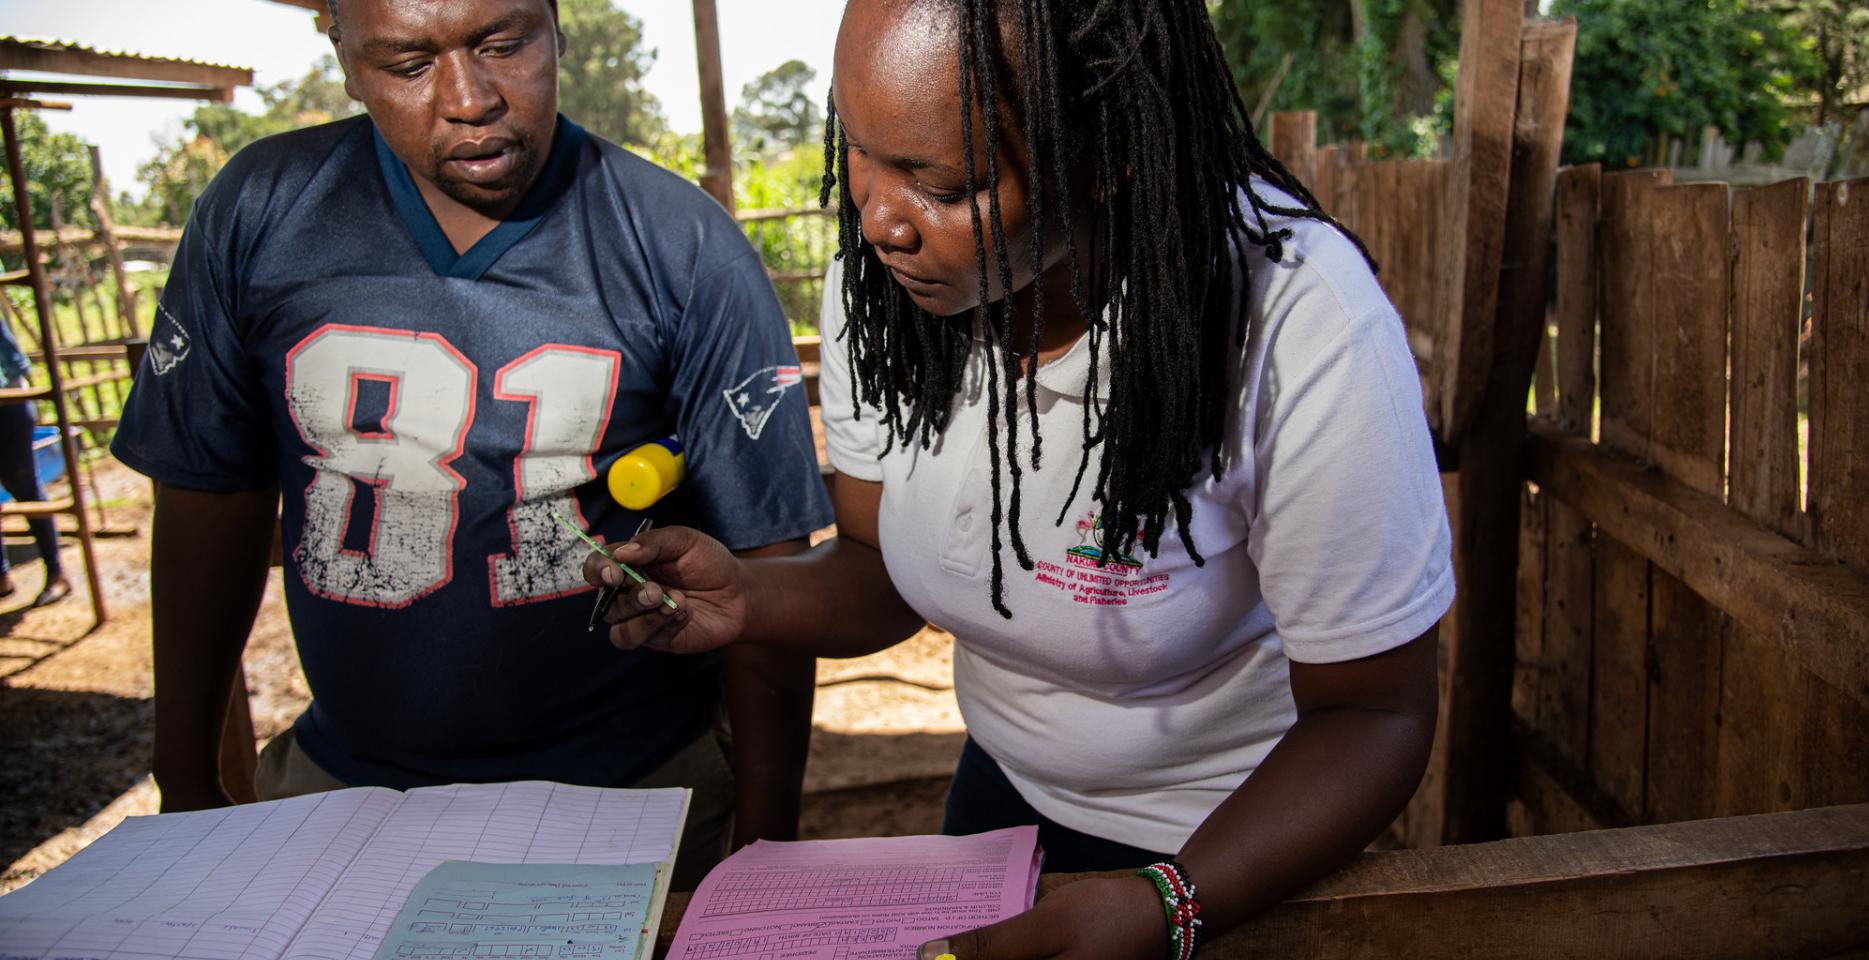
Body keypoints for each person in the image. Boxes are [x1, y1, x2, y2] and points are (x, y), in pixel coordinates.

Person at [586, 0, 1454, 951]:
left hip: (1236, 838)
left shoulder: (1295, 321)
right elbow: (883, 569)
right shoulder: (886, 287)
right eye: (861, 152)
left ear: (1112, 152)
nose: (879, 219)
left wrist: (1164, 903)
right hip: (1002, 800)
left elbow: (1375, 712)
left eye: (943, 183)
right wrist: (748, 596)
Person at [109, 0, 831, 887]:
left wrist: (765, 846)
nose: (469, 98)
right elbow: (207, 496)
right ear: (341, 55)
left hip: (635, 790)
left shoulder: (678, 245)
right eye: (407, 64)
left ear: (557, 25)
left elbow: (765, 566)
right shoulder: (261, 211)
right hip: (342, 790)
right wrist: (183, 777)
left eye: (503, 44)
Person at [0, 317, 68, 608]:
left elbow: (14, 362)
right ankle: (2, 578)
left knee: (24, 485)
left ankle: (56, 573)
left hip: (7, 402)